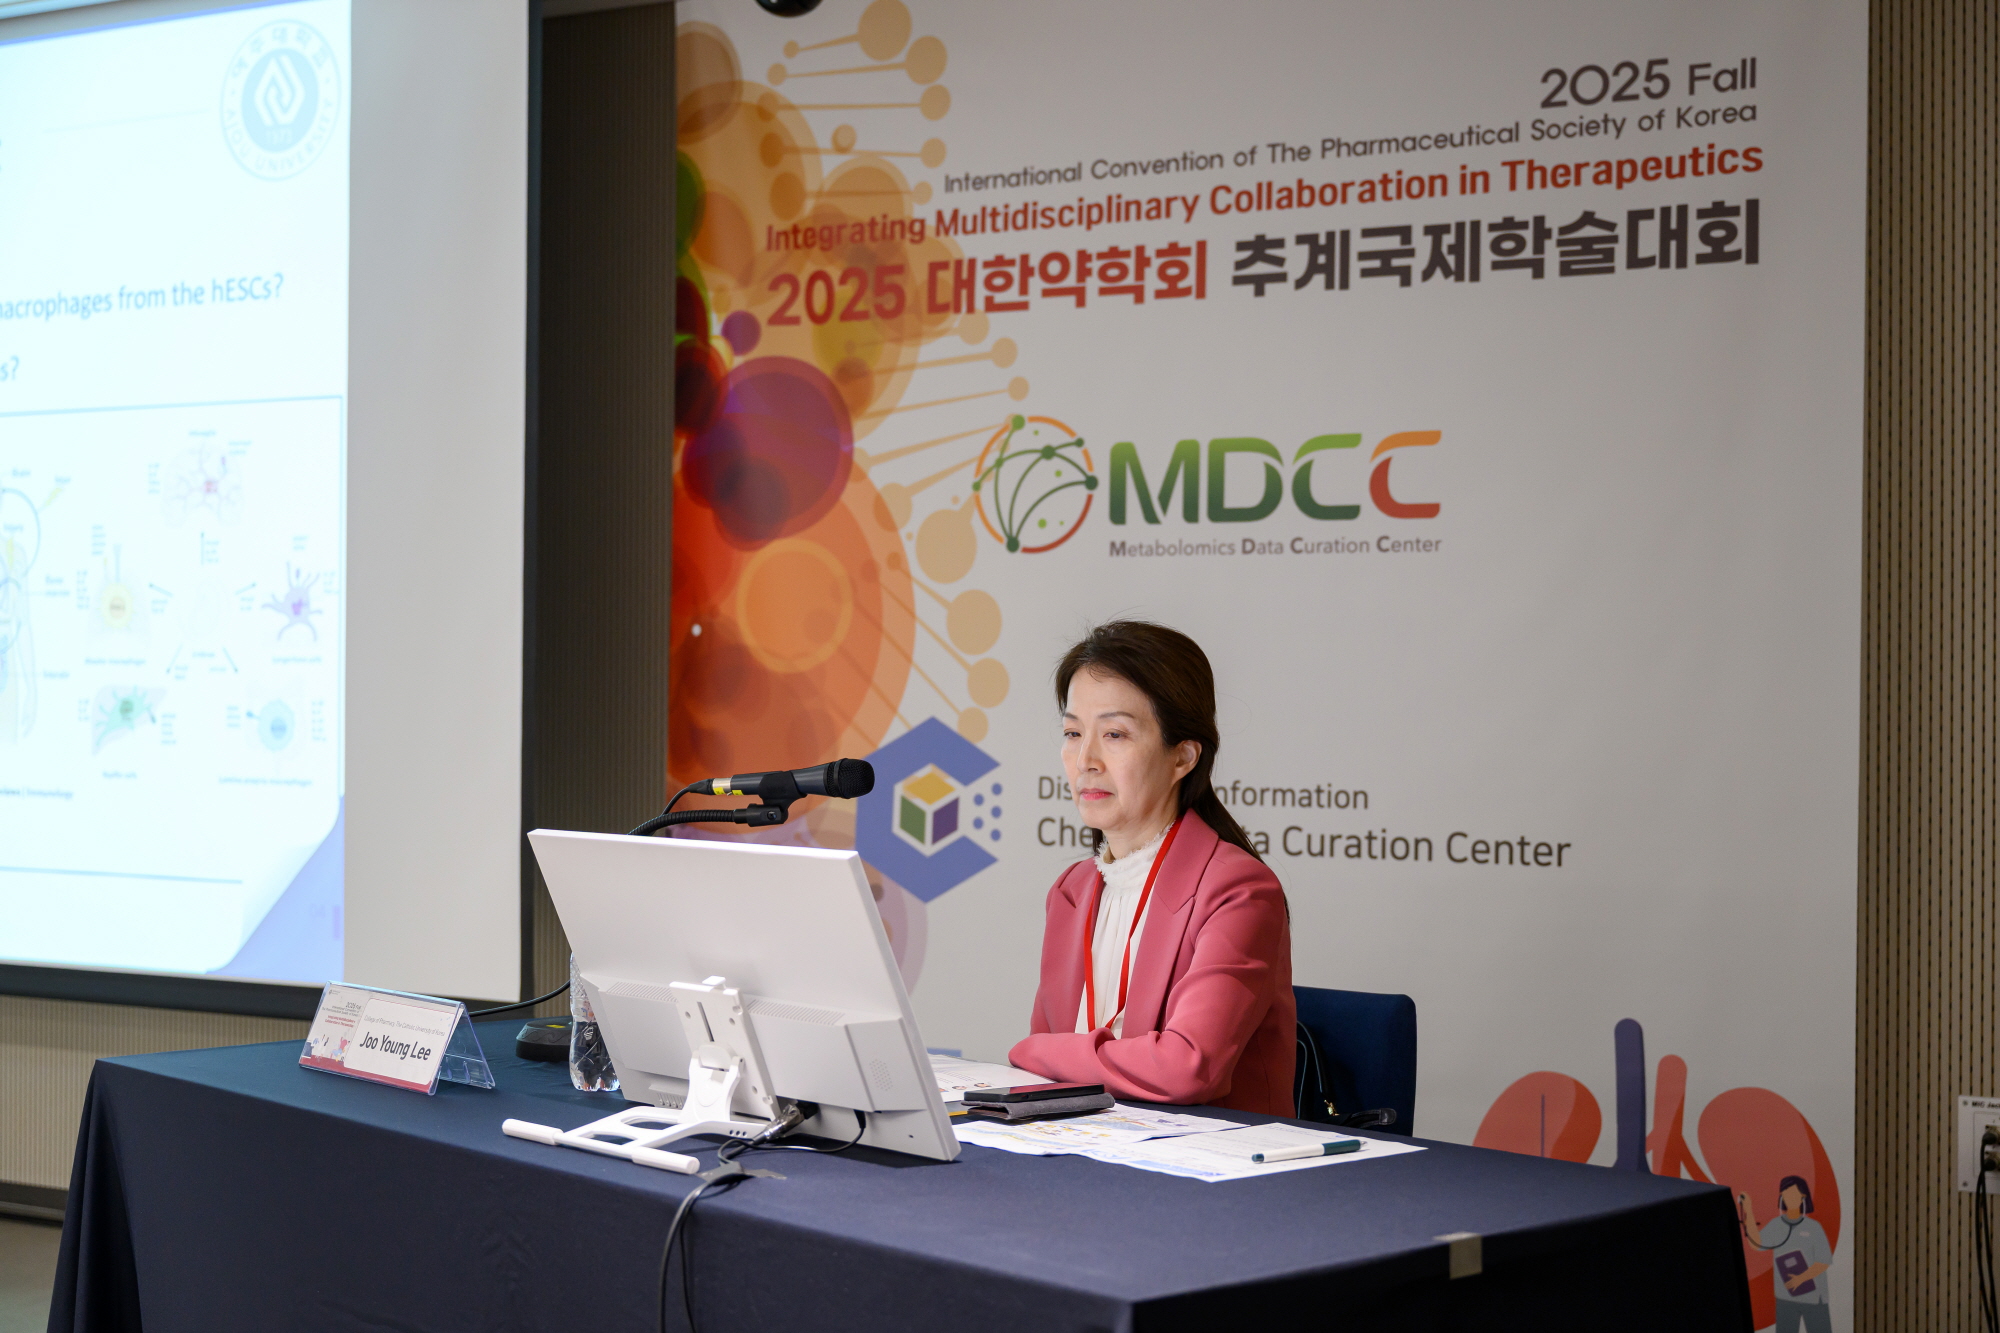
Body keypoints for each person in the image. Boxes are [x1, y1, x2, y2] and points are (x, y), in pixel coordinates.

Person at [1008, 620, 1295, 1114]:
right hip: (1087, 1144)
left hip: (1211, 1155)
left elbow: (1187, 1068)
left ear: (1182, 757)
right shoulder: (1071, 891)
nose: (1085, 760)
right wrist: (1042, 1056)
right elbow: (1044, 1076)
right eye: (1073, 733)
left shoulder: (1238, 890)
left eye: (1115, 734)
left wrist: (1035, 1051)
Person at [1737, 1176, 1833, 1333]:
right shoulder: (1776, 1225)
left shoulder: (1813, 1227)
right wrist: (1748, 1209)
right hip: (1786, 1298)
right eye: (1786, 1194)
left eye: (1794, 1194)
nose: (1790, 1198)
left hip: (1814, 1299)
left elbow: (1823, 1262)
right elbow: (1756, 1243)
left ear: (1803, 1197)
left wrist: (1800, 1279)